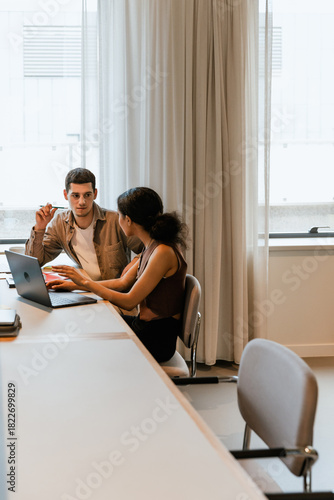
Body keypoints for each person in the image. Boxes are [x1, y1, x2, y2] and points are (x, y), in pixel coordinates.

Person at [48, 187, 188, 363]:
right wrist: (76, 285)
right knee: (90, 322)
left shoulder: (162, 252)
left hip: (156, 339)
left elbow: (129, 300)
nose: (118, 220)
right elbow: (122, 283)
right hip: (144, 327)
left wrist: (85, 282)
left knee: (90, 337)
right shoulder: (152, 245)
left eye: (120, 216)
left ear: (128, 220)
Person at [25, 168, 142, 280]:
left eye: (87, 195)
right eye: (75, 196)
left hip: (114, 293)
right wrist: (40, 228)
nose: (82, 202)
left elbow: (150, 248)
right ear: (65, 195)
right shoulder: (60, 223)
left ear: (95, 194)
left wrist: (135, 261)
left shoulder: (115, 220)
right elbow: (36, 262)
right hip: (84, 290)